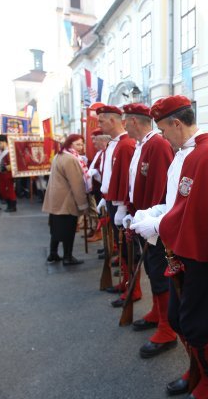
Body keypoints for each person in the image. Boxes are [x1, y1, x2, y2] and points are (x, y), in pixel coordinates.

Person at [130, 95, 208, 398]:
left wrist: (158, 225)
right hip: (186, 248)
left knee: (193, 322)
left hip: (204, 252)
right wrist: (158, 212)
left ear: (176, 123)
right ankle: (197, 368)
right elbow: (178, 203)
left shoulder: (206, 154)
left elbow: (196, 213)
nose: (163, 137)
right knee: (178, 318)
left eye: (163, 130)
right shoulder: (187, 153)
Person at [120, 102, 177, 359]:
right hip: (144, 220)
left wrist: (149, 223)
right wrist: (131, 211)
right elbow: (136, 184)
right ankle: (157, 312)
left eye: (125, 120)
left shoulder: (157, 144)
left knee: (159, 271)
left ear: (133, 121)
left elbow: (160, 188)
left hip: (154, 223)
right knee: (154, 272)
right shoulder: (144, 145)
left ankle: (167, 328)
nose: (123, 125)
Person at [95, 105, 141, 306]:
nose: (99, 125)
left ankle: (134, 287)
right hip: (112, 200)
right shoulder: (114, 144)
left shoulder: (125, 145)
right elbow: (111, 176)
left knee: (129, 249)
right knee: (122, 249)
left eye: (101, 121)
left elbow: (126, 179)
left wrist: (122, 206)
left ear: (112, 120)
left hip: (121, 204)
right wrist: (105, 197)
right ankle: (126, 281)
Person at [42, 134, 90, 265]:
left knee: (56, 228)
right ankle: (67, 257)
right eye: (77, 144)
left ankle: (53, 253)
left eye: (81, 144)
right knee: (68, 229)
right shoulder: (71, 159)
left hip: (56, 199)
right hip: (66, 200)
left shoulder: (60, 155)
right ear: (70, 145)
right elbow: (77, 184)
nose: (80, 147)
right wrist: (83, 205)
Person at [0, 135, 17, 212]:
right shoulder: (2, 152)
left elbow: (13, 163)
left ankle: (12, 206)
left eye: (1, 143)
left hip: (7, 174)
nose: (0, 144)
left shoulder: (9, 151)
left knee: (10, 191)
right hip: (2, 175)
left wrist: (6, 168)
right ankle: (9, 205)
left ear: (5, 142)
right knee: (4, 190)